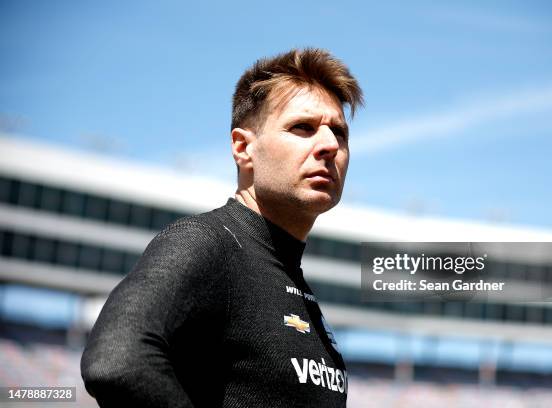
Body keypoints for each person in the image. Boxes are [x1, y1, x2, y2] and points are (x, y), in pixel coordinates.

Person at [81, 47, 363, 408]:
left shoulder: (291, 278)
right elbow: (116, 360)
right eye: (302, 128)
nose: (329, 145)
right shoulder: (209, 243)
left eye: (339, 133)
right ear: (243, 148)